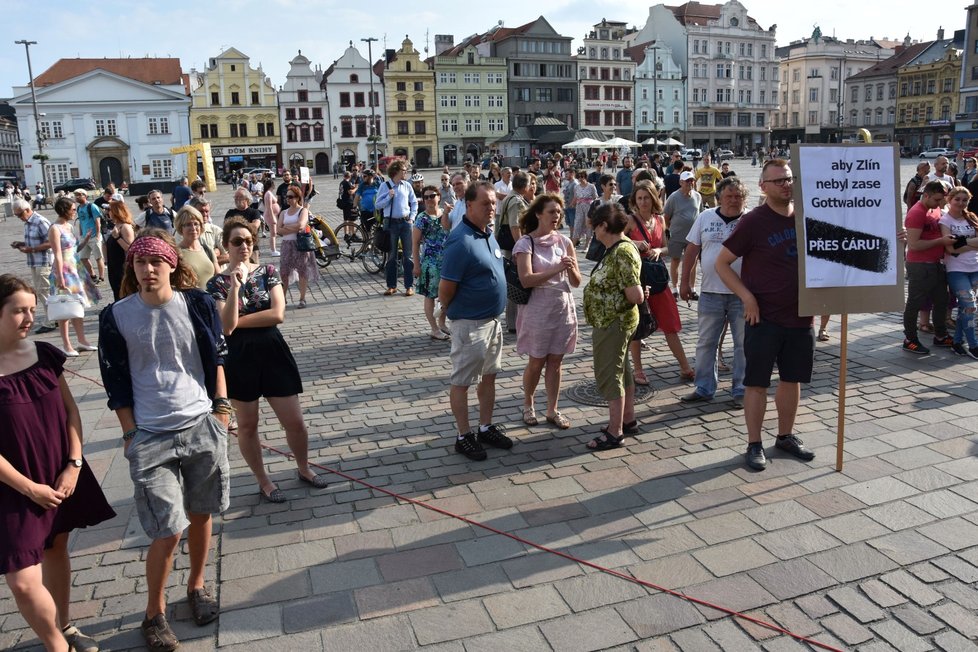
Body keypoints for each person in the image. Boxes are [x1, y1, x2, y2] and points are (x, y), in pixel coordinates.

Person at [97, 230, 230, 651]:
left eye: (156, 262)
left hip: (199, 424)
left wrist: (222, 410)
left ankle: (196, 587)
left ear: (172, 264)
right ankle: (153, 613)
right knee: (168, 530)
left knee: (202, 513)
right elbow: (115, 381)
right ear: (131, 268)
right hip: (151, 435)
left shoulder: (197, 303)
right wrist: (130, 432)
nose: (148, 269)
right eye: (140, 263)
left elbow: (216, 358)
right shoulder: (116, 315)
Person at [0, 274, 114, 652]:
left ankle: (65, 627)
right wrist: (29, 488)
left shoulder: (46, 353)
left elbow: (71, 413)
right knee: (21, 580)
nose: (29, 317)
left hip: (60, 472)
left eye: (32, 309)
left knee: (56, 548)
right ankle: (57, 646)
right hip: (14, 487)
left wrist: (74, 464)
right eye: (18, 311)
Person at [206, 218, 327, 503]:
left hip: (273, 350)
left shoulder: (268, 271)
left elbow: (277, 314)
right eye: (237, 241)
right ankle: (264, 480)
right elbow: (225, 328)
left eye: (249, 240)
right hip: (239, 357)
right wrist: (235, 288)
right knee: (248, 425)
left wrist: (238, 319)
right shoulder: (217, 284)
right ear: (226, 245)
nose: (244, 246)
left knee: (295, 421)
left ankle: (304, 467)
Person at [715, 159, 818, 471]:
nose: (786, 185)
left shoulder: (806, 217)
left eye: (789, 179)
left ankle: (785, 436)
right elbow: (722, 264)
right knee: (757, 382)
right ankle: (754, 442)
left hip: (802, 315)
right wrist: (746, 297)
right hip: (763, 317)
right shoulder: (753, 221)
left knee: (792, 378)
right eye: (779, 181)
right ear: (763, 187)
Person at [438, 181, 512, 461]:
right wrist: (449, 311)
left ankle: (485, 426)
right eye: (485, 203)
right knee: (463, 381)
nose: (491, 208)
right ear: (468, 205)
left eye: (493, 203)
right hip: (469, 324)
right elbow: (446, 289)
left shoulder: (487, 233)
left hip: (492, 322)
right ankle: (463, 435)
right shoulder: (461, 240)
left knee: (489, 376)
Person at [514, 194, 580, 429]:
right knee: (536, 361)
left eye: (559, 212)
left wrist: (571, 269)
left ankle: (552, 409)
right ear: (538, 214)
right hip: (537, 310)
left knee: (556, 362)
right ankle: (528, 404)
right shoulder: (525, 243)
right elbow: (526, 279)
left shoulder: (564, 242)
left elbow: (576, 282)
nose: (557, 216)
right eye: (552, 212)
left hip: (562, 309)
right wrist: (556, 268)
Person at [679, 176, 747, 406]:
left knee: (744, 344)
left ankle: (742, 390)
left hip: (744, 294)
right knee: (706, 342)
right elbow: (691, 250)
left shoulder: (751, 220)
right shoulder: (705, 217)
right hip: (710, 292)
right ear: (719, 198)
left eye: (738, 196)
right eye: (729, 196)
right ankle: (704, 387)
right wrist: (684, 282)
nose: (734, 201)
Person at [582, 203, 645, 450]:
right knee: (622, 369)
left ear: (604, 226)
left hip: (614, 322)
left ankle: (614, 431)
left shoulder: (622, 251)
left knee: (609, 374)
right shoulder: (616, 248)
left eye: (595, 227)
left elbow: (635, 294)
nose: (593, 233)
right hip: (612, 321)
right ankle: (627, 419)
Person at [626, 181, 694, 384]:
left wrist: (658, 250)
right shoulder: (630, 220)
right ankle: (638, 370)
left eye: (647, 197)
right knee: (638, 325)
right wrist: (634, 242)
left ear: (653, 198)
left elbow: (667, 247)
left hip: (657, 277)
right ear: (634, 200)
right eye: (639, 198)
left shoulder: (659, 220)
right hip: (637, 277)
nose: (643, 202)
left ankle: (685, 367)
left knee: (670, 323)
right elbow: (616, 239)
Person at [902, 181, 956, 354]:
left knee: (942, 300)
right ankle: (910, 339)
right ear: (926, 195)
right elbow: (914, 244)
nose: (940, 203)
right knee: (915, 303)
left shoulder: (935, 208)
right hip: (920, 265)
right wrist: (941, 241)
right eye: (937, 199)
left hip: (936, 264)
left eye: (942, 199)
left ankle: (940, 335)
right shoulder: (917, 212)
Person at [48, 198, 97, 357]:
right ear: (64, 210)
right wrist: (60, 277)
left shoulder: (69, 226)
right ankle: (67, 345)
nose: (75, 212)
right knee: (64, 308)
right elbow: (57, 254)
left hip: (75, 268)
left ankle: (82, 341)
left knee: (77, 306)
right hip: (64, 270)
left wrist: (86, 240)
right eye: (73, 209)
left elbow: (74, 248)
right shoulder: (55, 228)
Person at [938, 186, 978, 358]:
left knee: (965, 307)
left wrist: (962, 242)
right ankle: (973, 345)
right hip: (956, 269)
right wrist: (971, 243)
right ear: (950, 200)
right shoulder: (945, 221)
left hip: (975, 267)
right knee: (970, 306)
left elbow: (957, 246)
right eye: (958, 199)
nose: (961, 203)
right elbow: (950, 249)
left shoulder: (972, 218)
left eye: (965, 200)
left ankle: (957, 342)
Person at [11, 199, 57, 333]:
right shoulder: (27, 222)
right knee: (40, 291)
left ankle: (51, 321)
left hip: (44, 261)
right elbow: (33, 241)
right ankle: (55, 318)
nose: (19, 218)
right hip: (34, 261)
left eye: (19, 215)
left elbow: (51, 242)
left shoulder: (40, 221)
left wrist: (32, 249)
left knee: (45, 291)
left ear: (26, 210)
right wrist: (21, 244)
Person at [412, 186, 451, 340]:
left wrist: (447, 214)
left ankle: (442, 323)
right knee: (430, 295)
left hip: (447, 260)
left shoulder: (445, 213)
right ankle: (434, 328)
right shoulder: (422, 218)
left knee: (446, 294)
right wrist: (416, 265)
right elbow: (414, 243)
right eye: (426, 197)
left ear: (439, 197)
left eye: (432, 196)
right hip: (430, 262)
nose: (429, 199)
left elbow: (448, 229)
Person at [374, 160, 418, 296]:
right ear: (396, 171)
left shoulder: (407, 185)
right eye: (404, 170)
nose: (406, 172)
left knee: (408, 256)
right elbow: (378, 205)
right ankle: (391, 286)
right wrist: (389, 196)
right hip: (391, 223)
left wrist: (411, 218)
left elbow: (414, 202)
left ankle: (409, 286)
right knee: (392, 256)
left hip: (405, 223)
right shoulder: (385, 186)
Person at [276, 186, 319, 309]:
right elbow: (278, 230)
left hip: (300, 244)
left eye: (290, 197)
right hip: (286, 245)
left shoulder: (303, 211)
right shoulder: (283, 212)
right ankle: (283, 298)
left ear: (297, 198)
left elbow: (301, 226)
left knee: (302, 271)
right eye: (287, 197)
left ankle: (302, 298)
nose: (287, 199)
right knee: (284, 272)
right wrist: (290, 227)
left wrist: (286, 227)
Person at [664, 171, 703, 298]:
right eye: (687, 181)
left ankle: (692, 288)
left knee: (693, 262)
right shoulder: (673, 197)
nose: (690, 183)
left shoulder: (697, 196)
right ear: (681, 182)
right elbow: (666, 217)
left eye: (692, 180)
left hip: (693, 237)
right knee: (675, 260)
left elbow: (701, 214)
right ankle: (674, 288)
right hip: (677, 235)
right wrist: (671, 229)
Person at [175, 206, 220, 290]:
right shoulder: (176, 253)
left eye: (196, 224)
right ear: (181, 228)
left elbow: (219, 278)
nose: (193, 228)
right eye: (188, 224)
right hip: (190, 301)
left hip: (211, 300)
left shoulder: (207, 249)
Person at [105, 197, 135, 301]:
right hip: (113, 267)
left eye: (109, 210)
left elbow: (131, 249)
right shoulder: (115, 226)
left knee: (124, 295)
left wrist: (117, 238)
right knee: (117, 294)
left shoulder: (125, 227)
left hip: (122, 267)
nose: (107, 212)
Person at [73, 190, 104, 284]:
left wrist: (98, 235)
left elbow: (97, 221)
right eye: (75, 195)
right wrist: (81, 234)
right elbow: (81, 221)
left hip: (94, 235)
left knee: (98, 257)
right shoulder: (78, 208)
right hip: (84, 237)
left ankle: (101, 277)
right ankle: (93, 275)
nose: (76, 197)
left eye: (78, 195)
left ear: (84, 196)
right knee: (83, 258)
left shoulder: (92, 207)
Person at [572, 170, 598, 249]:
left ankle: (587, 245)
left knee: (588, 225)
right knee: (577, 224)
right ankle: (573, 245)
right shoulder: (576, 187)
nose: (580, 179)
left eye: (582, 177)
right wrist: (572, 204)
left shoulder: (591, 186)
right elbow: (575, 197)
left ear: (585, 177)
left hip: (588, 207)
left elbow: (595, 197)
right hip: (579, 207)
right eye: (579, 177)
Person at [262, 178, 280, 256]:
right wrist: (273, 218)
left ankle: (274, 249)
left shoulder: (268, 193)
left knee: (274, 233)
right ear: (271, 185)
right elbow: (269, 207)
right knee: (273, 233)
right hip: (270, 215)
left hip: (272, 215)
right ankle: (273, 250)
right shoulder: (268, 193)